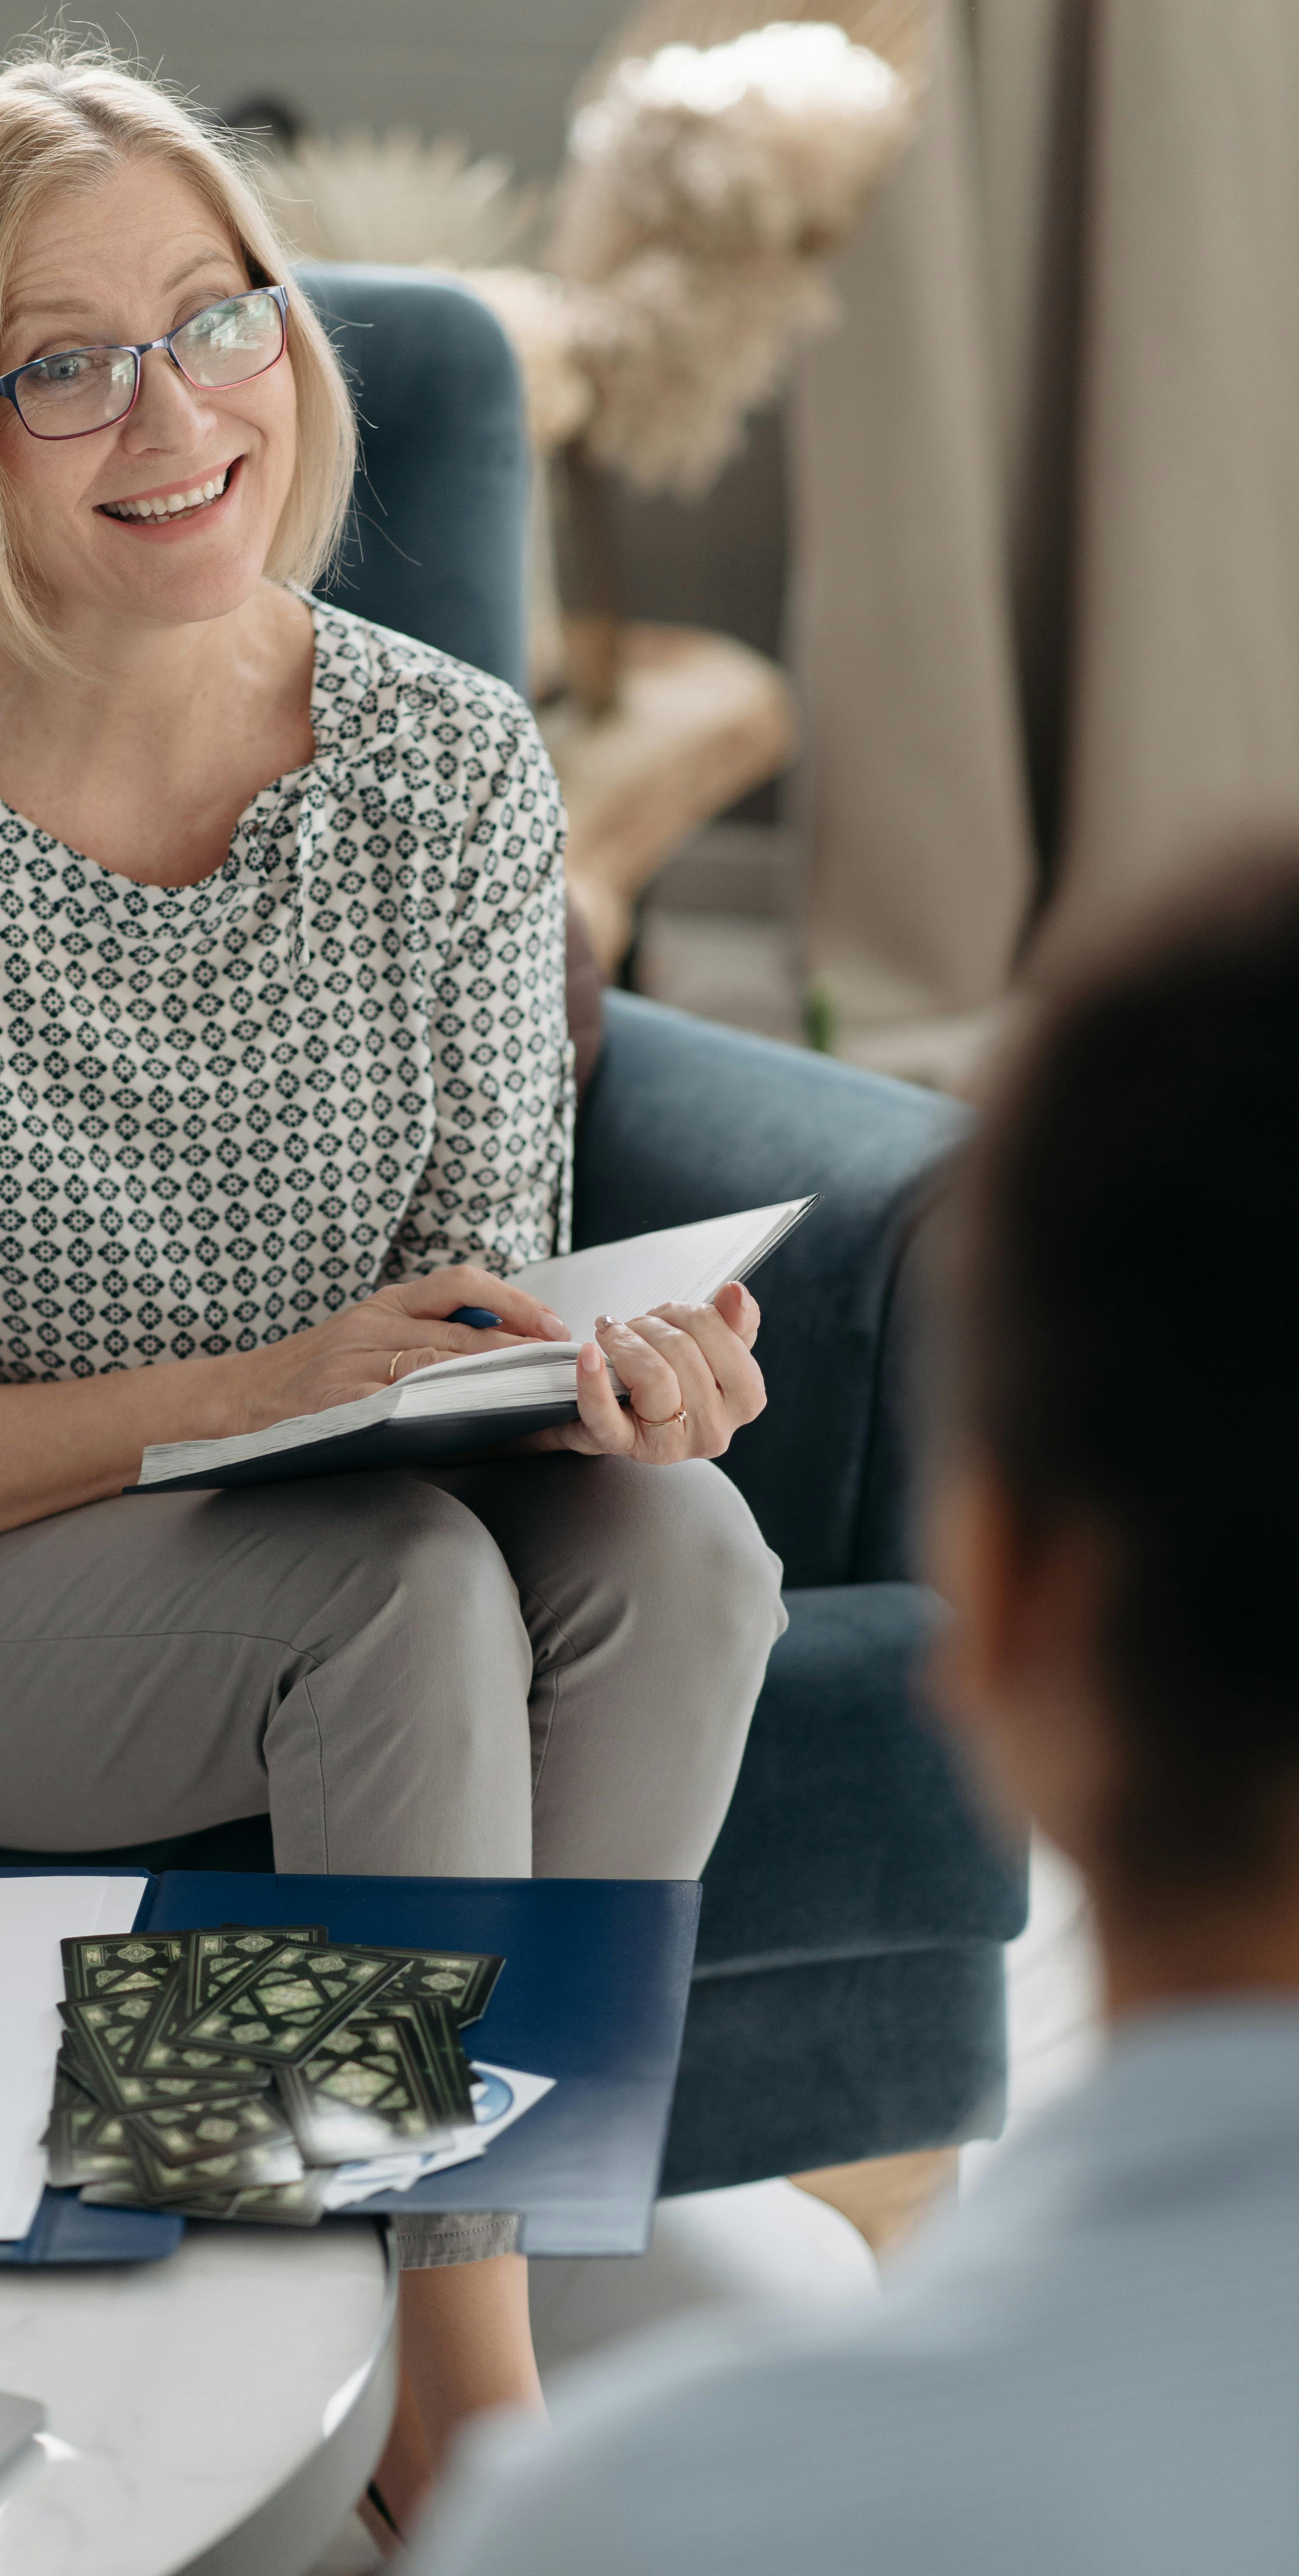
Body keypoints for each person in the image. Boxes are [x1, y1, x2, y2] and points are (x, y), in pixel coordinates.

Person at [0, 43, 788, 2528]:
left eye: (214, 320)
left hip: (314, 1506)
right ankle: (463, 2407)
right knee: (375, 1612)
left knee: (678, 1558)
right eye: (60, 364)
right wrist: (256, 1390)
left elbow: (473, 1295)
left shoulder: (447, 762)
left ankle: (344, 2227)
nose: (173, 415)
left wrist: (617, 1374)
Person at [409, 860, 1299, 2575]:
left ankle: (452, 2340)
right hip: (64, 1614)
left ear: (1002, 1611)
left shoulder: (645, 2524)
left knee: (651, 1551)